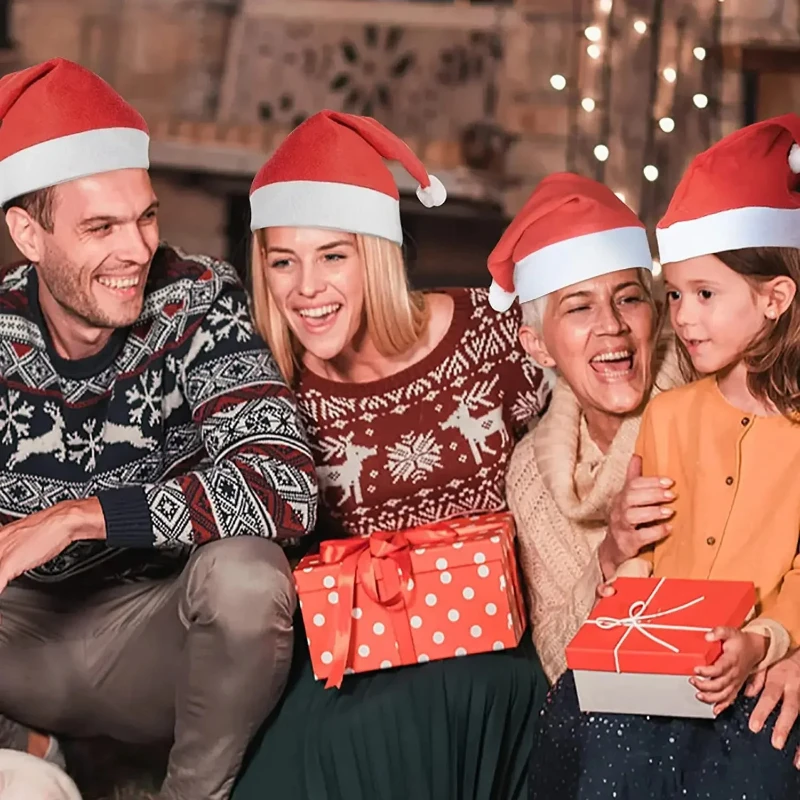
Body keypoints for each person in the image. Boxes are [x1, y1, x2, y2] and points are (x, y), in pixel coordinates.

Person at [0, 59, 318, 800]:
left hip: (152, 636)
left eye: (145, 216)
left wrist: (83, 517)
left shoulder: (198, 301)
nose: (137, 249)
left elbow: (288, 486)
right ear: (28, 233)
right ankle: (31, 755)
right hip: (20, 640)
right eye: (100, 226)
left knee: (248, 578)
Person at [233, 110, 552, 800]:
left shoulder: (492, 331)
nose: (305, 288)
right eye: (282, 261)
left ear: (375, 253)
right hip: (353, 661)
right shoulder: (269, 390)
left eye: (332, 256)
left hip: (492, 647)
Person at [529, 113, 800, 799]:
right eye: (674, 294)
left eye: (704, 296)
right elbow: (647, 551)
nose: (683, 317)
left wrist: (765, 640)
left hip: (753, 673)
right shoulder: (670, 414)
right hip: (651, 678)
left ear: (775, 297)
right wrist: (626, 597)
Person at [486, 172, 682, 685]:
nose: (612, 325)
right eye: (578, 307)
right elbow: (555, 659)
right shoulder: (531, 474)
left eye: (628, 298)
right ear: (538, 346)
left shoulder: (711, 404)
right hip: (619, 705)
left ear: (655, 315)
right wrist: (612, 553)